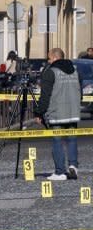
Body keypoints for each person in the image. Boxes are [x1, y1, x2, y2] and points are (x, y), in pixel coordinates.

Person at [35, 48, 81, 181]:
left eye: (49, 58)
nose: (48, 61)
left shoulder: (50, 72)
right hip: (73, 111)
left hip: (57, 112)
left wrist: (39, 112)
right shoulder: (75, 71)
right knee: (72, 140)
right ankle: (73, 166)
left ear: (54, 58)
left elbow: (45, 96)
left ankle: (60, 171)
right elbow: (80, 91)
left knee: (57, 141)